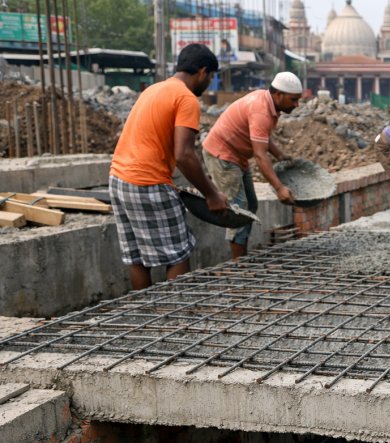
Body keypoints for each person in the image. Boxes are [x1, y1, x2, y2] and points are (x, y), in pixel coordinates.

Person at [109, 43, 228, 290]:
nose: (209, 84)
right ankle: (173, 315)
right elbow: (184, 154)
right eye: (211, 77)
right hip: (148, 182)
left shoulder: (154, 89)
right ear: (203, 72)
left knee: (137, 257)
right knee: (177, 253)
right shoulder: (185, 98)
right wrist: (212, 194)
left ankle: (142, 313)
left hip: (118, 178)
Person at [202, 72, 302, 258]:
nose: (297, 105)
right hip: (222, 156)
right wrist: (279, 188)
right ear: (278, 94)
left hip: (237, 156)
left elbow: (262, 137)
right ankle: (238, 263)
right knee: (239, 209)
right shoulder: (261, 111)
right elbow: (260, 155)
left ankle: (242, 254)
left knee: (251, 205)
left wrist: (280, 154)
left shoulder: (267, 103)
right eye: (294, 100)